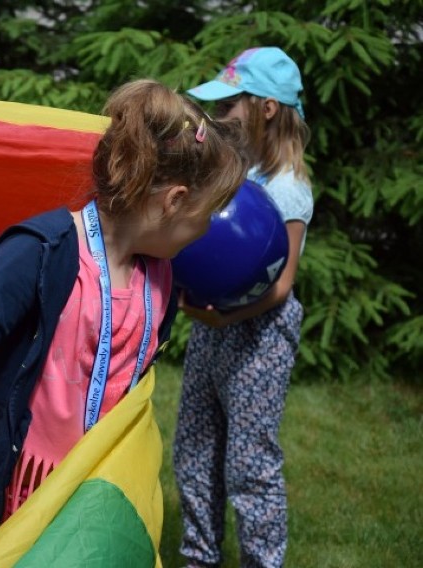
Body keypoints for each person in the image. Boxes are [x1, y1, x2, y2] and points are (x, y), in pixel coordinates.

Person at [0, 79, 248, 567]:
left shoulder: (162, 275)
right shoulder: (40, 251)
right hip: (7, 505)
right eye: (207, 214)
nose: (208, 229)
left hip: (89, 507)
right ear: (173, 201)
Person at [173, 47, 314, 568]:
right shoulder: (238, 170)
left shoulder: (288, 189)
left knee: (249, 465)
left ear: (266, 108)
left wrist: (225, 317)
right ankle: (200, 557)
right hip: (216, 324)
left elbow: (281, 285)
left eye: (231, 103)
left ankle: (261, 561)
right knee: (193, 450)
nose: (221, 113)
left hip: (259, 335)